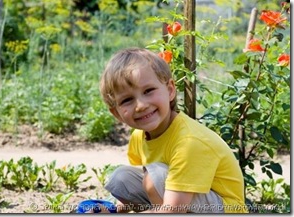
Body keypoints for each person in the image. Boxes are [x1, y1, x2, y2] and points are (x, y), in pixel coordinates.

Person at [98, 47, 248, 213]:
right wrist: (111, 210)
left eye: (148, 91)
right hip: (182, 201)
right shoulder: (139, 136)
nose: (141, 106)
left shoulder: (189, 141)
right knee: (122, 178)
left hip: (224, 210)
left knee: (153, 178)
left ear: (170, 90)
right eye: (127, 100)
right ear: (116, 113)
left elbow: (173, 209)